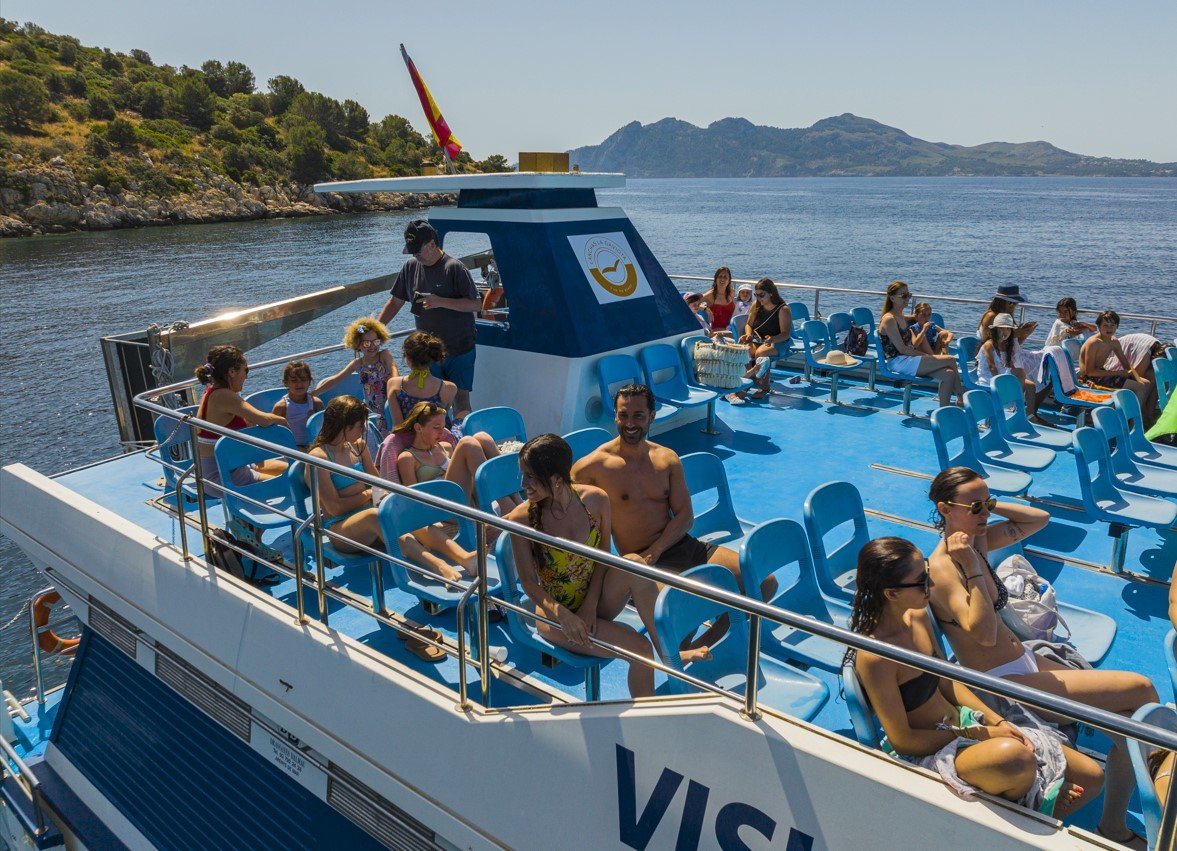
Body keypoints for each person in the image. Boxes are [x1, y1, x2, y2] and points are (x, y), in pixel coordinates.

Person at [926, 466, 1158, 845]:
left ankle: (1114, 826)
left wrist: (989, 510)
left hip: (1025, 659)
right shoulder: (943, 567)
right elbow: (983, 635)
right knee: (1141, 689)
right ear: (945, 508)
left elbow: (1039, 519)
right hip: (1003, 682)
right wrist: (971, 567)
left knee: (1130, 726)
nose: (984, 513)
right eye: (975, 506)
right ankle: (1141, 803)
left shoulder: (977, 540)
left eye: (988, 502)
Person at [849, 536, 1100, 817]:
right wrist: (980, 734)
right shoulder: (875, 657)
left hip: (967, 726)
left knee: (1092, 776)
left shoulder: (916, 617)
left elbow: (947, 681)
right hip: (932, 750)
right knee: (1017, 757)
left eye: (928, 573)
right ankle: (1037, 804)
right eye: (921, 581)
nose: (930, 584)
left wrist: (997, 722)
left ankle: (1035, 805)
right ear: (891, 594)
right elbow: (903, 740)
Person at [572, 384, 744, 656]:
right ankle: (683, 656)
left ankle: (704, 645)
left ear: (652, 416)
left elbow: (685, 516)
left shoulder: (666, 459)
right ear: (615, 416)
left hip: (680, 546)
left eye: (638, 415)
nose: (630, 423)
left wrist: (657, 549)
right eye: (623, 415)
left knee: (762, 583)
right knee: (684, 610)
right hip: (642, 562)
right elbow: (559, 504)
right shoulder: (593, 466)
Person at [503, 434, 656, 697]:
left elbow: (603, 557)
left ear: (556, 478)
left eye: (530, 476)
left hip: (594, 602)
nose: (523, 484)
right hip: (555, 617)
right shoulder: (522, 519)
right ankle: (647, 721)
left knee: (634, 563)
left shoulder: (596, 500)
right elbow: (528, 583)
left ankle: (670, 653)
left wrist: (590, 605)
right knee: (641, 650)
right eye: (523, 475)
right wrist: (565, 615)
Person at [379, 219, 481, 419]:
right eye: (411, 251)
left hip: (459, 349)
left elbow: (476, 304)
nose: (415, 255)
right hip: (428, 354)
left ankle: (461, 435)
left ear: (433, 244)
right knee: (430, 404)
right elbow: (395, 302)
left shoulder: (454, 268)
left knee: (460, 399)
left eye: (418, 250)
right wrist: (376, 329)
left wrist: (440, 301)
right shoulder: (410, 267)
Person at [193, 345, 288, 497]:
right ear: (232, 372)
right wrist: (285, 422)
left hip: (234, 467)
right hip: (222, 477)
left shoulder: (213, 391)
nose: (246, 376)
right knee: (293, 481)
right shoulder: (224, 396)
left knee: (295, 469)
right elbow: (264, 419)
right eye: (246, 370)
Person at [306, 396, 385, 553]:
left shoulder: (359, 446)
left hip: (370, 515)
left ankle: (436, 561)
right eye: (360, 426)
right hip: (340, 528)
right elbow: (335, 508)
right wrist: (368, 494)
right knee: (375, 517)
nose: (363, 430)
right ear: (344, 427)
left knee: (408, 516)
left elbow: (378, 485)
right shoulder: (319, 458)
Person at [878, 281, 962, 407]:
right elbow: (902, 349)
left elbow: (910, 317)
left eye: (909, 295)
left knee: (948, 374)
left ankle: (943, 411)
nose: (907, 299)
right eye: (903, 296)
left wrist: (916, 316)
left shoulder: (900, 316)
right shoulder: (889, 319)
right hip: (898, 362)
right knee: (950, 359)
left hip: (908, 359)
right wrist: (927, 356)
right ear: (892, 298)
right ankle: (961, 397)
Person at [315, 317, 400, 439]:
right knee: (376, 437)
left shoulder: (384, 355)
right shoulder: (357, 363)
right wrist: (314, 393)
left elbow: (393, 367)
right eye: (366, 343)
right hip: (372, 411)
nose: (372, 346)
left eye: (375, 342)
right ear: (358, 345)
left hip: (391, 405)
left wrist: (395, 382)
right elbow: (336, 379)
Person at [1079, 310, 1156, 422]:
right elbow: (1090, 372)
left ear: (1117, 326)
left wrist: (1137, 378)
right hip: (1090, 378)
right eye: (1105, 325)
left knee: (1146, 383)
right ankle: (1130, 422)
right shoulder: (1094, 343)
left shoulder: (1114, 341)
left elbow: (1126, 365)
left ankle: (1134, 416)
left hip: (1103, 374)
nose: (1109, 328)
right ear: (1099, 326)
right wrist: (1118, 373)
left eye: (1112, 325)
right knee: (1139, 387)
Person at [726, 277, 792, 403]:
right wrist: (748, 335)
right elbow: (749, 324)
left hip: (779, 342)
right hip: (758, 340)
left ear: (771, 293)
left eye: (762, 295)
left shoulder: (783, 310)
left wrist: (773, 339)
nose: (759, 298)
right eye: (756, 295)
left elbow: (786, 334)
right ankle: (748, 381)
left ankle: (763, 387)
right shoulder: (756, 305)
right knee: (744, 349)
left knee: (761, 353)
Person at [978, 285, 1045, 389]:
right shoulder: (991, 316)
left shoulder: (1007, 316)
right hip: (995, 360)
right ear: (1008, 302)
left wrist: (1025, 334)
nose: (1014, 306)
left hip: (1008, 357)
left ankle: (1023, 396)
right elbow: (986, 341)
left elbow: (1012, 345)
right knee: (1036, 367)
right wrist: (1015, 333)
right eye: (1013, 303)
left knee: (1046, 361)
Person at [978, 314, 1042, 420]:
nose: (1005, 332)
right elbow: (992, 367)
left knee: (1030, 385)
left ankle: (1030, 414)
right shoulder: (988, 345)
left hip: (1002, 375)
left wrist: (1010, 379)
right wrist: (1001, 383)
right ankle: (1015, 405)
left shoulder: (1006, 345)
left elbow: (1009, 365)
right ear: (995, 329)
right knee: (1020, 373)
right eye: (1002, 328)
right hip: (990, 378)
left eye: (1008, 329)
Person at [272, 360, 323, 450]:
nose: (299, 384)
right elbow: (275, 435)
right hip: (292, 449)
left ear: (309, 381)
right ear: (286, 383)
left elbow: (325, 430)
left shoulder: (316, 403)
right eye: (294, 380)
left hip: (315, 446)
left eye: (303, 380)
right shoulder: (281, 407)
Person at [701, 266, 736, 334]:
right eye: (720, 276)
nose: (722, 279)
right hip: (716, 332)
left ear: (729, 280)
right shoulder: (710, 295)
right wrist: (705, 308)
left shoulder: (731, 293)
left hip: (730, 330)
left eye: (725, 277)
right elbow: (690, 302)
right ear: (716, 279)